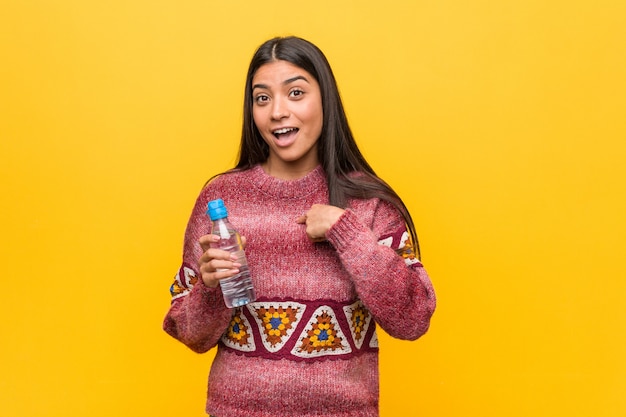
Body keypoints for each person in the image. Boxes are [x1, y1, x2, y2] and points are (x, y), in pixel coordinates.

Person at [163, 36, 436, 417]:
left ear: (325, 99)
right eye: (262, 98)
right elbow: (188, 333)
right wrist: (209, 289)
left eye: (295, 93)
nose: (277, 111)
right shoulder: (223, 199)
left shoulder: (367, 203)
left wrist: (347, 231)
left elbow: (413, 318)